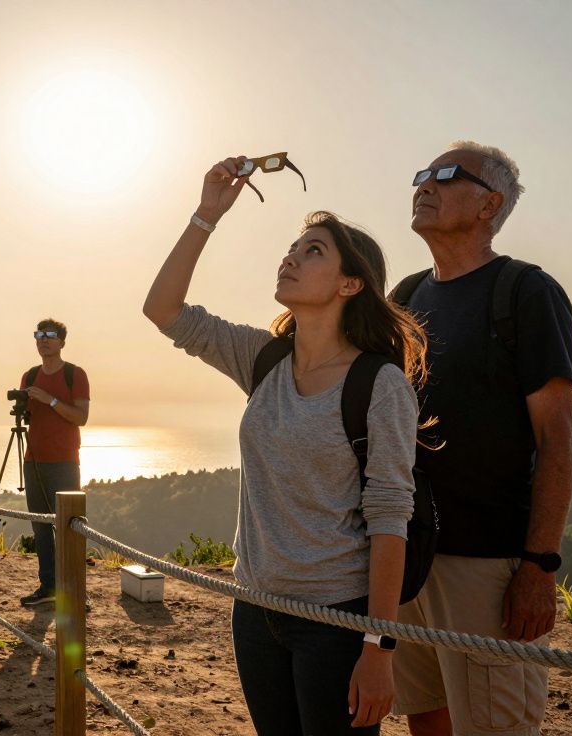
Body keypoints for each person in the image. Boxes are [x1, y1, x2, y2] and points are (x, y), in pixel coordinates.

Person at [143, 156, 427, 734]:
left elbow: (391, 517)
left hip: (337, 622)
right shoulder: (263, 359)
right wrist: (206, 215)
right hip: (255, 610)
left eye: (314, 250)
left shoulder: (379, 384)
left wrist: (379, 647)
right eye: (293, 247)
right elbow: (163, 310)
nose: (291, 257)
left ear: (352, 284)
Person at [392, 142, 572, 736]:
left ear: (489, 204)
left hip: (489, 569)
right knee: (425, 717)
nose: (424, 184)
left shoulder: (526, 292)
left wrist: (538, 568)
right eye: (422, 174)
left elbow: (558, 438)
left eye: (445, 175)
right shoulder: (407, 295)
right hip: (408, 557)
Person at [17, 318, 90, 607]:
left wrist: (50, 400)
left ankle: (75, 590)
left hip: (64, 461)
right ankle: (48, 587)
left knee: (70, 528)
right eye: (38, 335)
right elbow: (26, 414)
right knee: (41, 527)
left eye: (50, 335)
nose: (43, 340)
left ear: (62, 341)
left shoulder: (75, 374)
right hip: (34, 460)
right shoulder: (30, 375)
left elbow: (81, 417)